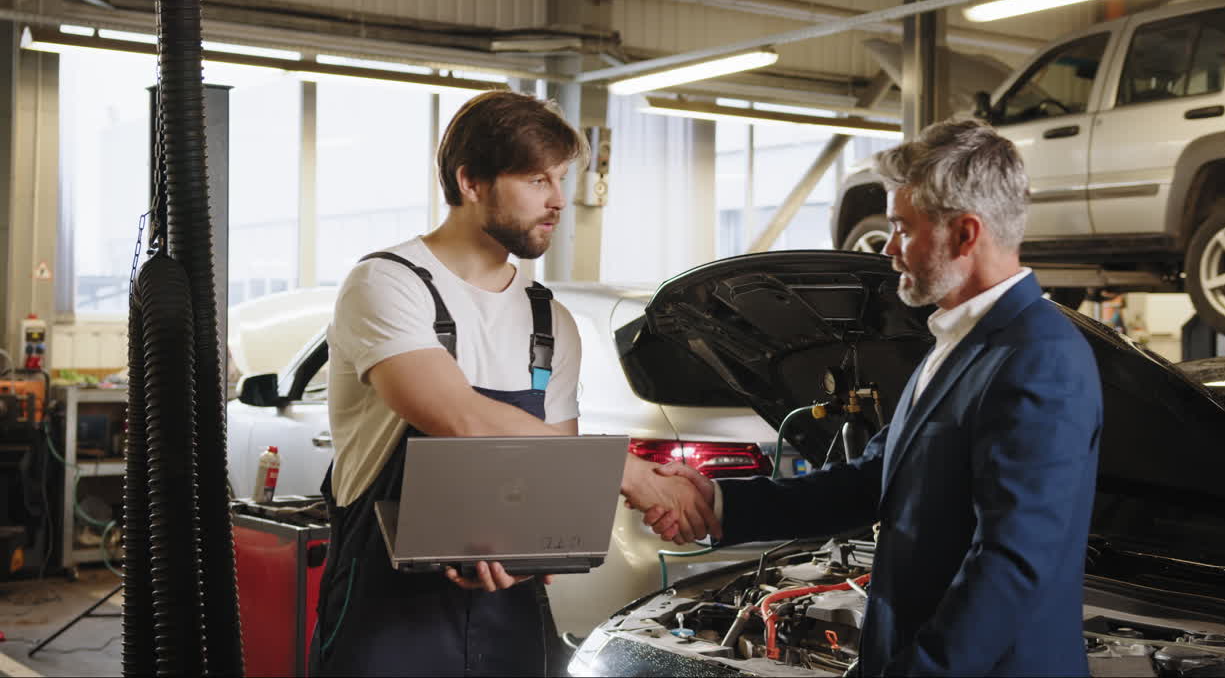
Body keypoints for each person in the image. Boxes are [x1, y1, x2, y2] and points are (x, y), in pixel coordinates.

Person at [646, 118, 1103, 676]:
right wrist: (720, 504)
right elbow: (869, 481)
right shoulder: (956, 343)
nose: (888, 248)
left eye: (902, 228)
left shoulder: (1039, 358)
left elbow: (1011, 565)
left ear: (965, 234)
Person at [309, 90, 718, 677]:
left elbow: (553, 483)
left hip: (511, 619)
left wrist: (527, 554)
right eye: (535, 180)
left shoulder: (550, 321)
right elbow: (457, 415)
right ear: (471, 181)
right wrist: (631, 476)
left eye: (559, 180)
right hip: (384, 614)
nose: (557, 201)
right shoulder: (386, 284)